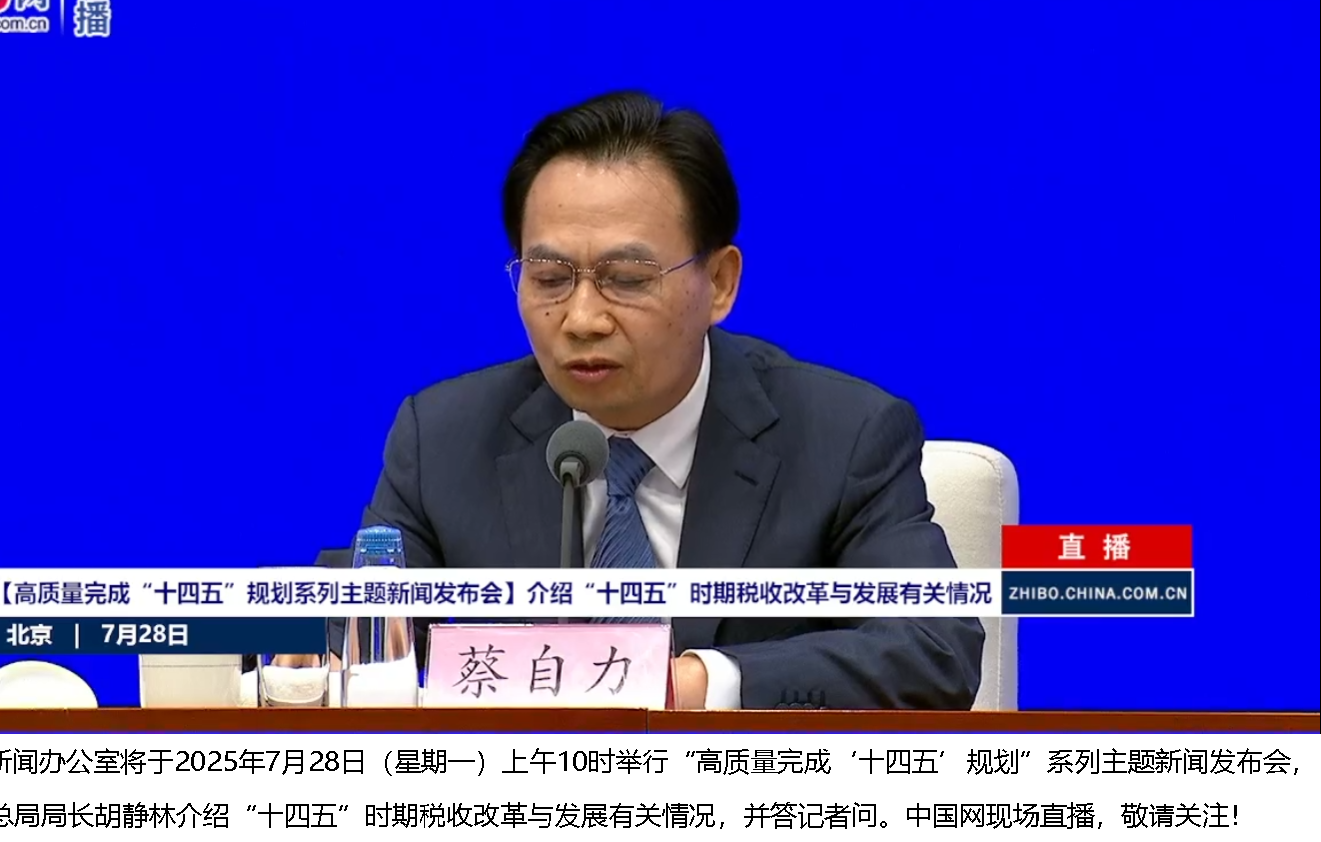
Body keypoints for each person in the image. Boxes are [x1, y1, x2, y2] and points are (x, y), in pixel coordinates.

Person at [317, 91, 983, 710]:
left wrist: (686, 685)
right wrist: (287, 640)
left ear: (719, 283)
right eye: (549, 278)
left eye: (627, 279)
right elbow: (352, 626)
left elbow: (932, 648)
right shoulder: (443, 437)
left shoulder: (844, 436)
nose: (582, 318)